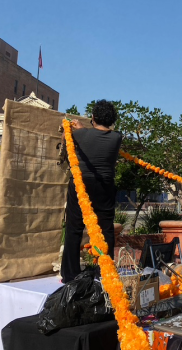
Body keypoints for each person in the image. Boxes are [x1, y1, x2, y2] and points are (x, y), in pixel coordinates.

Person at [61, 100, 122, 283]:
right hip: (105, 185)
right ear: (112, 121)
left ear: (93, 118)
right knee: (106, 229)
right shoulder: (117, 137)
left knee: (74, 228)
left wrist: (77, 128)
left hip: (81, 184)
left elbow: (69, 138)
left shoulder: (82, 134)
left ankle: (70, 274)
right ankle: (104, 272)